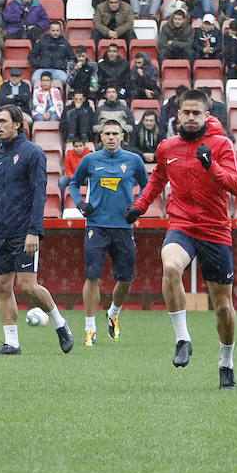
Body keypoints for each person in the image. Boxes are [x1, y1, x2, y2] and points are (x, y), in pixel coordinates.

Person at [126, 89, 237, 389]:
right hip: (181, 224)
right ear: (178, 115)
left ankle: (226, 363)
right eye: (186, 112)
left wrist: (212, 166)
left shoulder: (221, 145)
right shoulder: (167, 148)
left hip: (215, 229)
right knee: (170, 267)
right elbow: (157, 181)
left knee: (222, 307)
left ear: (207, 115)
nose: (191, 117)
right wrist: (139, 206)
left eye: (197, 113)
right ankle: (182, 339)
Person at [0, 105, 74, 356]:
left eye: (2, 121)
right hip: (0, 231)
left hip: (24, 231)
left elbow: (39, 194)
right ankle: (12, 343)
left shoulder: (33, 153)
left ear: (17, 124)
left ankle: (60, 324)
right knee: (2, 284)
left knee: (28, 285)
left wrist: (34, 231)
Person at [69, 120, 149, 346]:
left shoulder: (133, 160)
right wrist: (80, 204)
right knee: (92, 276)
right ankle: (89, 328)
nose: (111, 137)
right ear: (101, 137)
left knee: (125, 279)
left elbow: (147, 186)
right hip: (96, 225)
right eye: (107, 134)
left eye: (115, 133)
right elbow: (74, 184)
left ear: (123, 136)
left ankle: (113, 313)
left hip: (124, 227)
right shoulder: (90, 160)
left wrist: (138, 207)